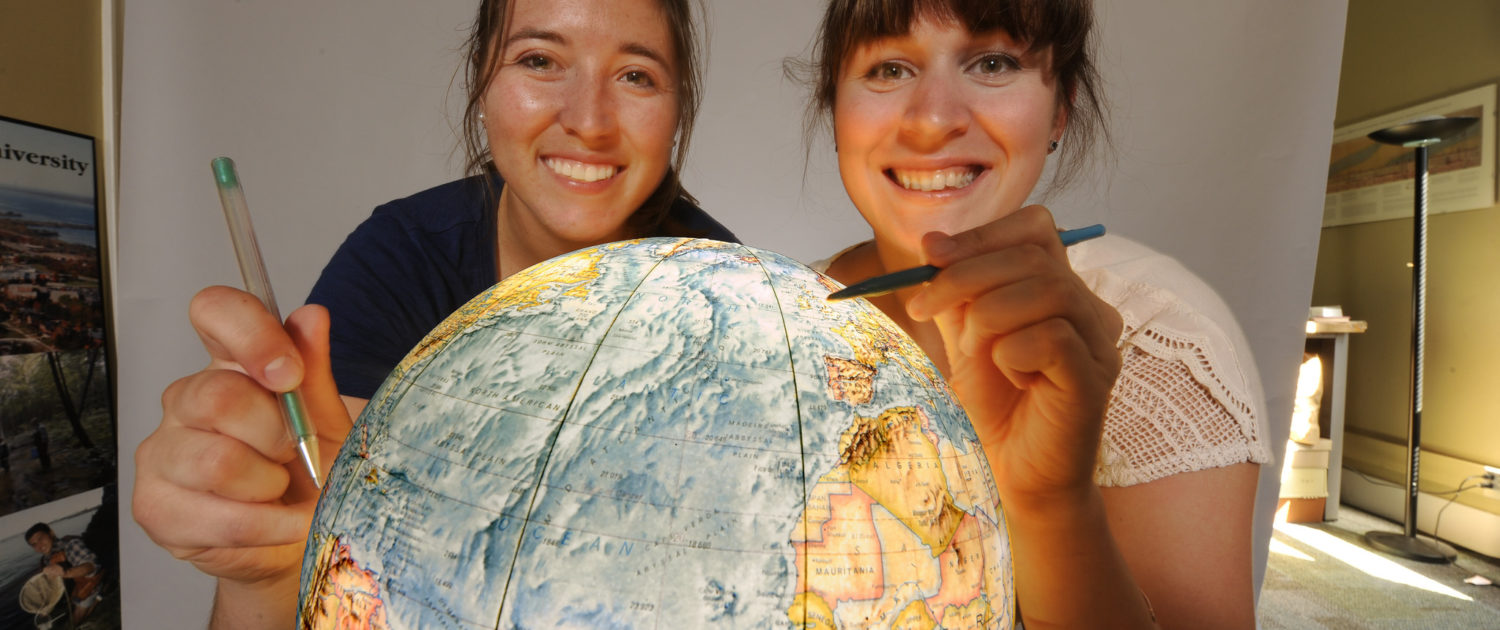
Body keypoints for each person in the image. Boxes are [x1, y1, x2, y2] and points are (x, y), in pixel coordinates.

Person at [131, 0, 734, 627]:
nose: (589, 120)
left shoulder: (735, 301)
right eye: (538, 60)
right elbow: (310, 543)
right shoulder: (402, 255)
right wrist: (271, 575)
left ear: (675, 111)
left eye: (636, 75)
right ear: (481, 84)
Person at [804, 0, 1269, 627]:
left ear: (1061, 109)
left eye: (993, 62)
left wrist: (1051, 503)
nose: (934, 120)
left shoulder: (1163, 347)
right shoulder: (780, 315)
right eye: (888, 70)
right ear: (836, 109)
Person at [27, 522, 104, 623]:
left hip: (89, 581)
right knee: (69, 609)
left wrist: (66, 573)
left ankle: (99, 594)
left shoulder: (70, 544)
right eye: (34, 544)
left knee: (76, 619)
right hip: (73, 586)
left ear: (51, 533)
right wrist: (45, 606)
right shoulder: (45, 560)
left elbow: (91, 566)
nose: (39, 546)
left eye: (40, 538)